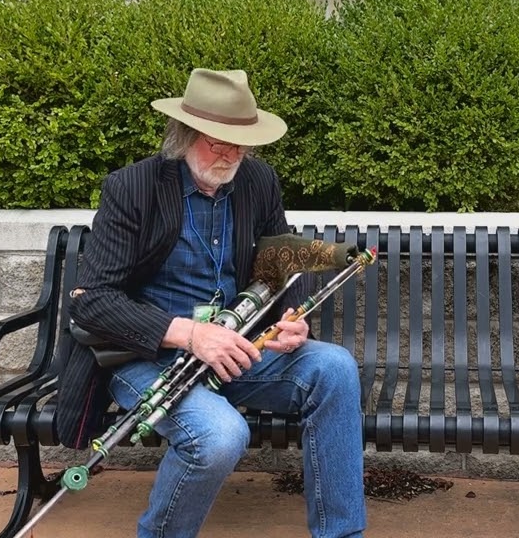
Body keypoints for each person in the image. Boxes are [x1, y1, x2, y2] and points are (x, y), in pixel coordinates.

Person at [54, 68, 366, 538]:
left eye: (239, 142)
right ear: (184, 136)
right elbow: (92, 302)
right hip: (145, 356)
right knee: (220, 436)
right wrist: (191, 334)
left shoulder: (258, 181)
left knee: (335, 368)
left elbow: (279, 262)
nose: (230, 155)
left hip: (236, 351)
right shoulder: (132, 188)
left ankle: (341, 533)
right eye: (217, 142)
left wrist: (289, 318)